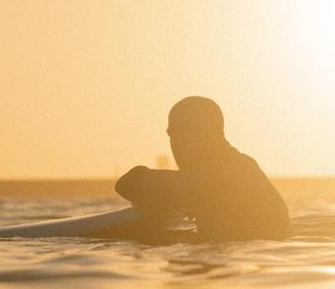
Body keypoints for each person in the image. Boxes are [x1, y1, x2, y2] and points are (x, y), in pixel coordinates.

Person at [114, 96, 291, 242]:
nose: (176, 144)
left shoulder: (223, 174)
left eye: (180, 134)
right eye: (172, 135)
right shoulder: (241, 165)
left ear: (206, 134)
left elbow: (129, 183)